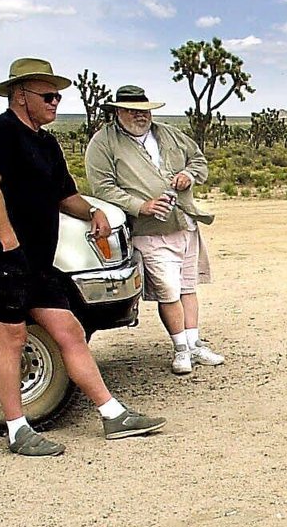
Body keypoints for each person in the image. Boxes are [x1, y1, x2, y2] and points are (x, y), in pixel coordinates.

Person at [0, 57, 166, 456]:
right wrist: (8, 245)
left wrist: (93, 210)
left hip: (34, 259)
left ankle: (112, 414)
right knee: (11, 335)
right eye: (48, 95)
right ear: (21, 96)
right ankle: (18, 430)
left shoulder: (46, 142)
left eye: (58, 96)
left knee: (68, 328)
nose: (56, 103)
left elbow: (63, 196)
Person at [84, 85, 224, 376]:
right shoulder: (103, 143)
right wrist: (141, 205)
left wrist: (188, 174)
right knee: (168, 290)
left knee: (188, 286)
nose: (141, 116)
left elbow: (198, 160)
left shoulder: (168, 133)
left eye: (145, 110)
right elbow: (103, 187)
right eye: (134, 111)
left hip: (184, 222)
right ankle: (181, 349)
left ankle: (194, 342)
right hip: (149, 230)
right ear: (118, 111)